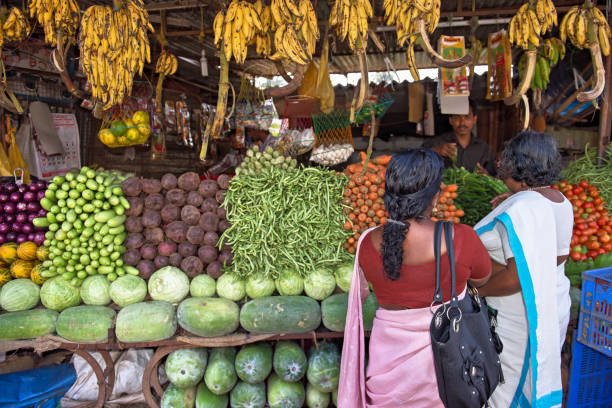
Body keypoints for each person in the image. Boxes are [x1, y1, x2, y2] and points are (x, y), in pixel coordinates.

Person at [338, 148, 492, 408]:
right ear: (435, 197)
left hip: (385, 369)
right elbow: (483, 279)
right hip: (446, 369)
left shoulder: (366, 242)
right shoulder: (462, 238)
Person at [474, 131, 572, 408]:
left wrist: (477, 289)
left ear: (514, 164)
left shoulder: (523, 208)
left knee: (508, 385)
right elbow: (559, 256)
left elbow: (516, 278)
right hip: (553, 302)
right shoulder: (559, 200)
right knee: (540, 371)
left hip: (518, 315)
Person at [423, 99, 497, 176]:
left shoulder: (483, 148)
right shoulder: (437, 143)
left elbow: (494, 175)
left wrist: (486, 174)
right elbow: (415, 163)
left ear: (474, 119)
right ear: (450, 120)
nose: (462, 123)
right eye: (457, 117)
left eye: (467, 117)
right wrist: (434, 151)